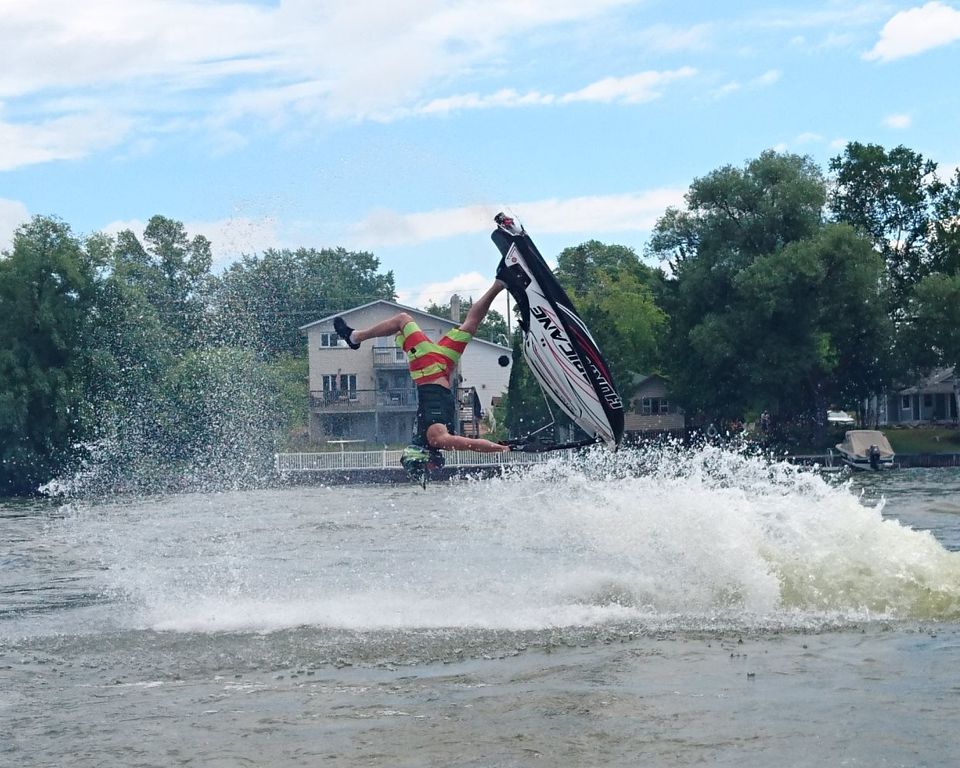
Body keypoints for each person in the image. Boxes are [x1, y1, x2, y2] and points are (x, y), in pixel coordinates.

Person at [333, 280, 510, 478]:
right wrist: (502, 448)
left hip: (429, 368)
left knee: (406, 320)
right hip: (437, 368)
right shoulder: (437, 439)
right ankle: (499, 284)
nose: (434, 466)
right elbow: (471, 444)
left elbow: (470, 444)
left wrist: (501, 448)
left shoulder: (430, 438)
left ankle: (355, 337)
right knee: (467, 325)